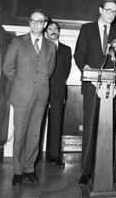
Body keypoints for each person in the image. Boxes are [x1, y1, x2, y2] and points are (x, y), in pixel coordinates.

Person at [74, 0, 116, 187]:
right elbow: (79, 55)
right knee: (90, 129)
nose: (111, 14)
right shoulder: (86, 29)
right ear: (100, 10)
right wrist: (89, 71)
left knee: (110, 130)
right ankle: (86, 171)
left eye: (115, 12)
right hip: (92, 86)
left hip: (112, 88)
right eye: (108, 10)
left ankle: (107, 172)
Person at [2, 9, 57, 187]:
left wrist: (36, 83)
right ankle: (18, 171)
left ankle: (29, 169)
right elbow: (7, 67)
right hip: (22, 95)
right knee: (20, 135)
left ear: (45, 24)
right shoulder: (18, 42)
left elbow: (50, 71)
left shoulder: (51, 46)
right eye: (32, 21)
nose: (35, 24)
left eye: (39, 21)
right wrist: (21, 82)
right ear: (29, 22)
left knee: (34, 135)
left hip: (41, 95)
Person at [45, 20, 72, 167]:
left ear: (59, 32)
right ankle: (32, 156)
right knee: (38, 123)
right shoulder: (40, 46)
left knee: (56, 123)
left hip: (58, 89)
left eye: (56, 28)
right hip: (39, 89)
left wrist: (58, 84)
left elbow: (66, 70)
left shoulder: (66, 49)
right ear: (45, 32)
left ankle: (55, 155)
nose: (53, 30)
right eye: (50, 28)